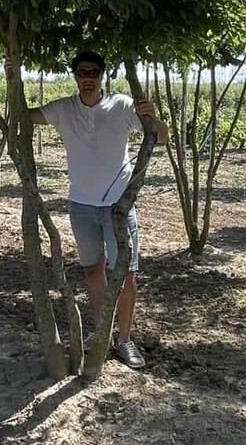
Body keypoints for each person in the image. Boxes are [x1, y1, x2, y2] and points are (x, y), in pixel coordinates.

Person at [30, 50, 168, 369]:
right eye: (82, 72)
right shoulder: (64, 109)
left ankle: (125, 339)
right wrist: (12, 75)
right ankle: (101, 332)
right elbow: (24, 115)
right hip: (81, 205)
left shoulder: (121, 105)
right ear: (75, 76)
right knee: (93, 269)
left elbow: (161, 137)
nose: (88, 78)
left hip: (119, 205)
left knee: (127, 274)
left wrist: (153, 115)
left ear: (102, 75)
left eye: (93, 72)